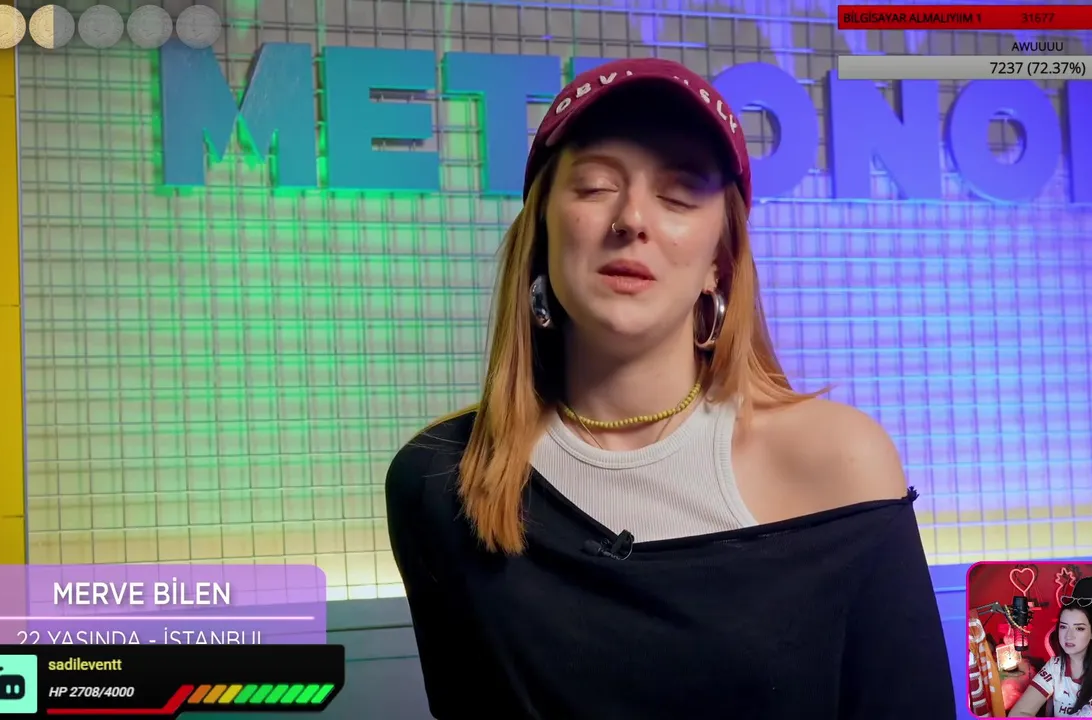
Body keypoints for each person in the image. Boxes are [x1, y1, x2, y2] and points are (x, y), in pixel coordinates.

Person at [385, 56, 954, 719]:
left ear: (720, 261)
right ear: (542, 234)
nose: (632, 217)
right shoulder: (441, 483)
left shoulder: (841, 462)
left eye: (679, 194)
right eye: (595, 185)